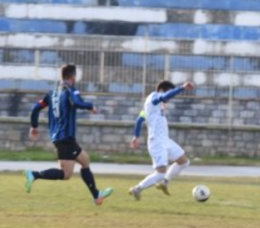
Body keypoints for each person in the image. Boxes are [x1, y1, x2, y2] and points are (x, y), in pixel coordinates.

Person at [24, 64, 114, 206]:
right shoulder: (70, 90)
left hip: (58, 137)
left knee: (84, 161)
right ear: (73, 76)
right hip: (66, 137)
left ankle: (97, 196)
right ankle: (34, 175)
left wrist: (34, 126)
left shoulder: (52, 93)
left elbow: (35, 108)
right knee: (66, 174)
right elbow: (77, 102)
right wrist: (91, 107)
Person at [128, 80, 196, 200]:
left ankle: (165, 182)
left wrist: (136, 136)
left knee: (184, 162)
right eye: (169, 94)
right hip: (156, 142)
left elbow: (139, 119)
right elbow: (164, 96)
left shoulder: (152, 106)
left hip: (165, 140)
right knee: (160, 173)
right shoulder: (154, 97)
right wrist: (182, 88)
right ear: (162, 90)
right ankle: (137, 189)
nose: (168, 100)